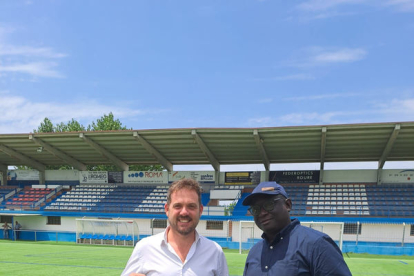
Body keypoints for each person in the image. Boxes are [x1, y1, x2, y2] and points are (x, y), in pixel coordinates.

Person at [121, 178, 229, 276]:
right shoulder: (144, 248)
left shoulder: (215, 252)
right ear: (167, 209)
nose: (184, 212)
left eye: (191, 206)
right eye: (178, 206)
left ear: (200, 210)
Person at [242, 181, 352, 276]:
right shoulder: (254, 252)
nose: (262, 213)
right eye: (256, 209)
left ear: (288, 205)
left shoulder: (317, 245)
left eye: (269, 204)